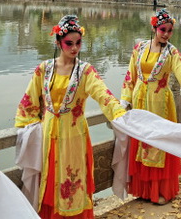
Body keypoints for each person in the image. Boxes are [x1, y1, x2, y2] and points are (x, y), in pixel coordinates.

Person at [15, 15, 126, 219]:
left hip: (74, 138)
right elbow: (28, 102)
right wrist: (27, 129)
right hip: (48, 139)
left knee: (72, 181)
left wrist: (119, 114)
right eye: (69, 43)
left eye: (78, 43)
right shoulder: (44, 69)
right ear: (58, 43)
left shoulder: (85, 72)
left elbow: (103, 95)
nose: (74, 48)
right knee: (50, 182)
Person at [120, 8, 181, 204]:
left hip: (160, 104)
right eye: (162, 30)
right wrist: (124, 100)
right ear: (154, 28)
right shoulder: (139, 48)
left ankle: (160, 190)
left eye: (169, 30)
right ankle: (143, 190)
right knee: (142, 141)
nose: (166, 34)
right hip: (140, 102)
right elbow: (129, 76)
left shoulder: (172, 52)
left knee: (158, 142)